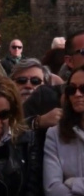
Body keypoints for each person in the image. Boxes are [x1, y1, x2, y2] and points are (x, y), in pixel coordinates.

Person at [43, 65, 84, 195]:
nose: (77, 94)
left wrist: (74, 183)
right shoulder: (55, 134)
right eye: (72, 89)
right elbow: (52, 188)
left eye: (83, 89)